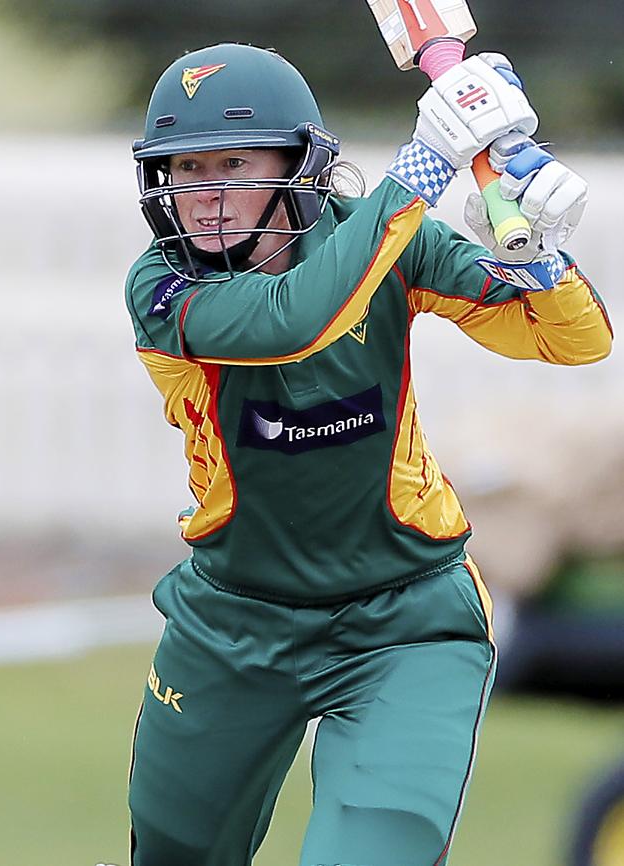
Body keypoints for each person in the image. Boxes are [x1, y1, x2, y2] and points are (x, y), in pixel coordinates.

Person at [125, 42, 612, 866]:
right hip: (232, 621)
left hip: (405, 620)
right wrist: (426, 164)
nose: (204, 196)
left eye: (234, 163)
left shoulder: (386, 240)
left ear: (301, 164)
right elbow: (289, 322)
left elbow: (576, 341)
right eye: (185, 168)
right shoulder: (163, 288)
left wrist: (543, 263)